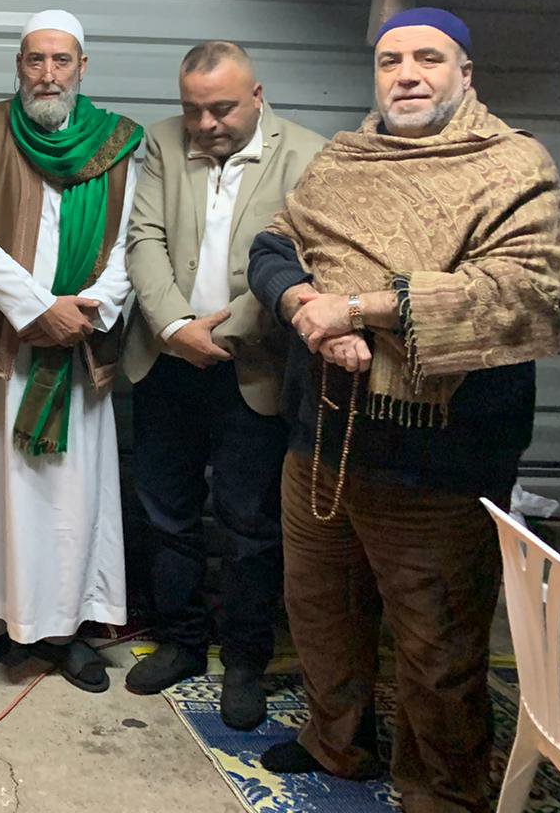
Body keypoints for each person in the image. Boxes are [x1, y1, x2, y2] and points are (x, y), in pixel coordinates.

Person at [248, 7, 560, 812]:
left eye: (428, 59)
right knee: (321, 611)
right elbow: (273, 247)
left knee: (438, 643)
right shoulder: (344, 161)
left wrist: (358, 308)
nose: (406, 75)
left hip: (440, 461)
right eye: (390, 60)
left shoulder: (512, 167)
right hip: (321, 437)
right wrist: (304, 307)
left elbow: (524, 291)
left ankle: (442, 789)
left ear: (466, 74)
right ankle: (336, 742)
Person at [122, 42, 325, 727]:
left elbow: (302, 263)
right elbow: (143, 241)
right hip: (166, 362)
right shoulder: (160, 142)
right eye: (193, 109)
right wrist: (177, 327)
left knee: (250, 525)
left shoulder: (308, 156)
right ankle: (181, 641)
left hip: (255, 366)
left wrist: (223, 332)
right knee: (165, 511)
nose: (205, 124)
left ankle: (244, 661)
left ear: (257, 96)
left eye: (222, 109)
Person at [0, 9, 143, 690]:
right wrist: (36, 308)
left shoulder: (117, 142)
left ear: (82, 67)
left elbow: (130, 240)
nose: (48, 74)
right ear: (19, 66)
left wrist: (86, 312)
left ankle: (65, 632)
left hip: (80, 348)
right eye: (36, 60)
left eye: (62, 60)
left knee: (69, 499)